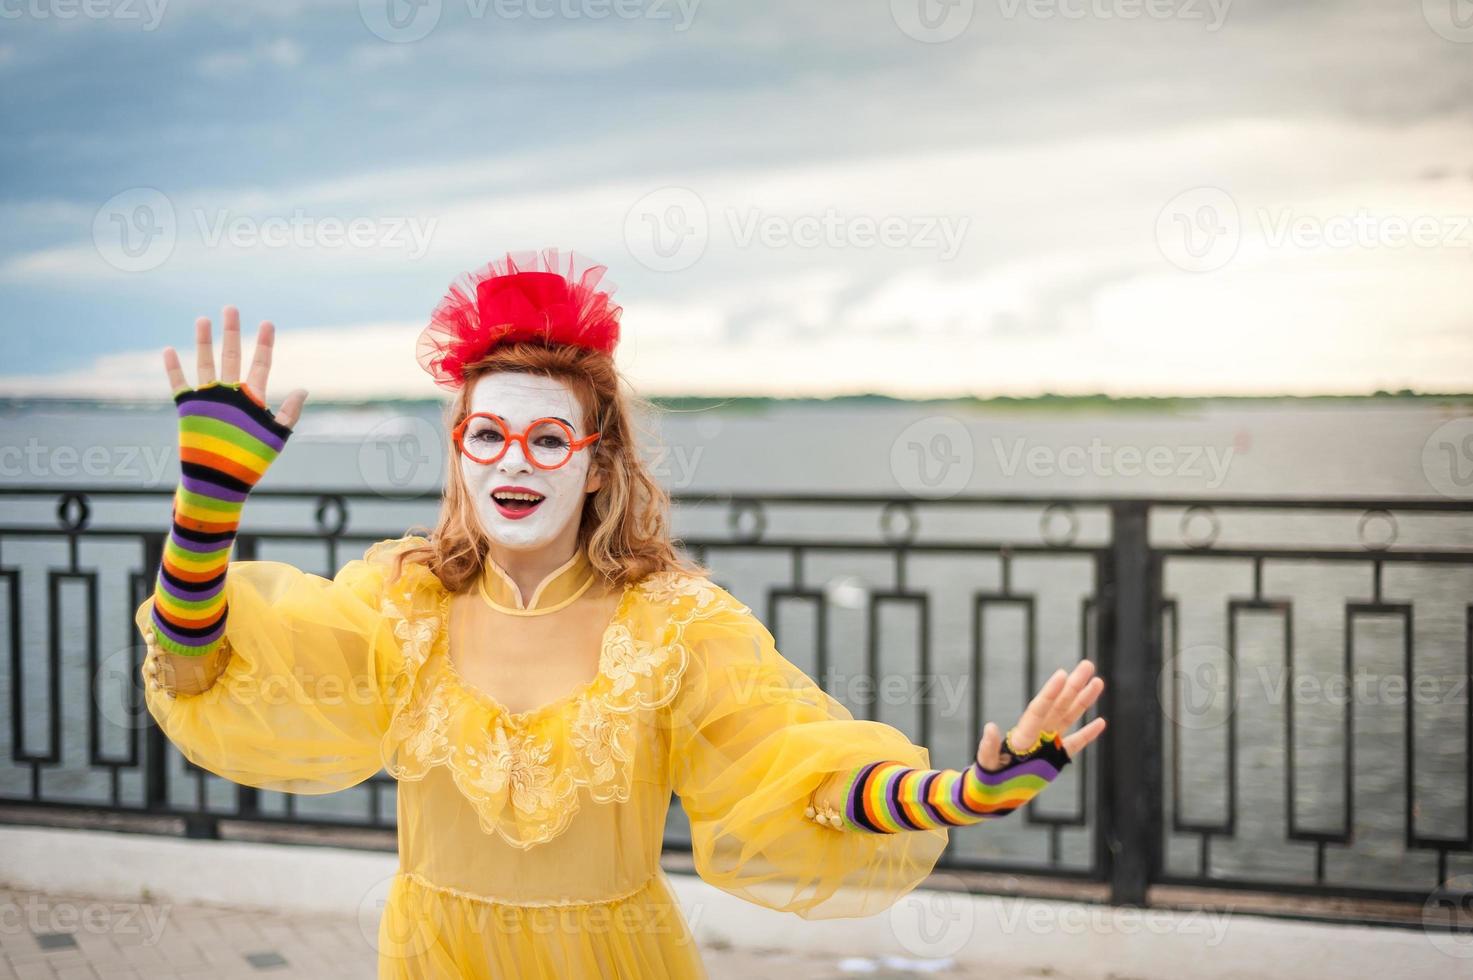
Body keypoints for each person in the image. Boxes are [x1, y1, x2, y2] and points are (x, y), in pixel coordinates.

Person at [136, 248, 1107, 978]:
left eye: (549, 437)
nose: (515, 460)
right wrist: (207, 505)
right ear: (461, 452)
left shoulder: (672, 626)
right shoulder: (403, 605)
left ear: (598, 462)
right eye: (490, 433)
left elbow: (808, 778)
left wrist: (969, 792)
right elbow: (200, 674)